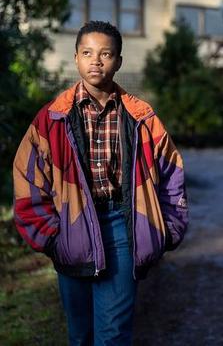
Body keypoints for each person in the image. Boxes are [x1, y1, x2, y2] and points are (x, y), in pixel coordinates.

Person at [13, 21, 189, 345]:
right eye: (88, 53)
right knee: (80, 335)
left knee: (113, 334)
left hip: (122, 226)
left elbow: (171, 172)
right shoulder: (52, 117)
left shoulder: (141, 117)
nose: (96, 61)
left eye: (105, 54)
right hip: (71, 227)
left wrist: (166, 229)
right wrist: (51, 235)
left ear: (118, 61)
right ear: (76, 58)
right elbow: (28, 177)